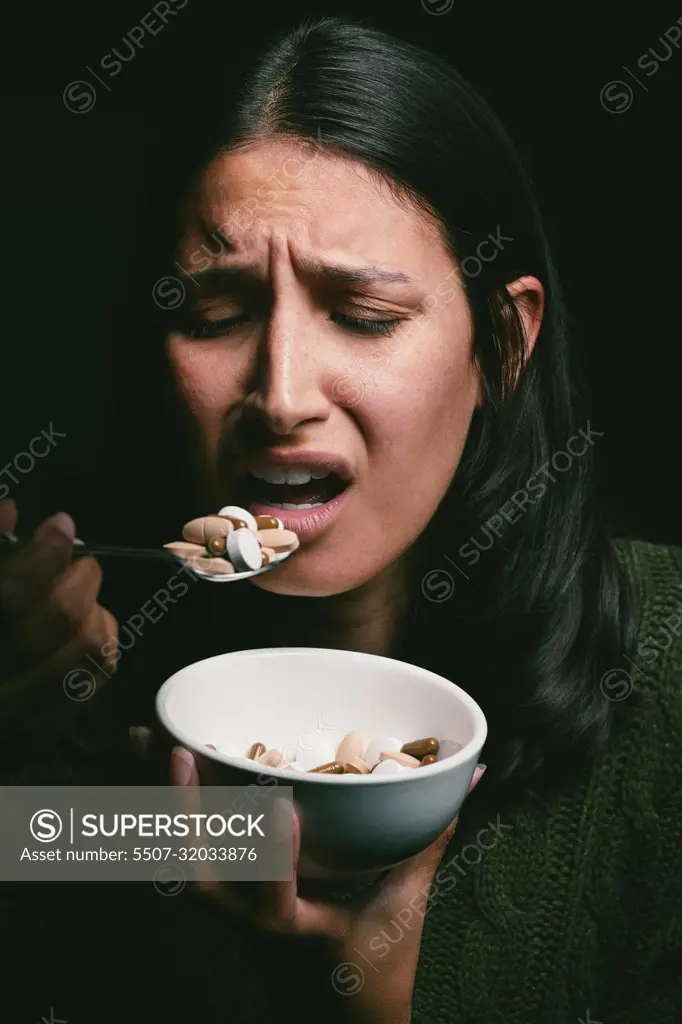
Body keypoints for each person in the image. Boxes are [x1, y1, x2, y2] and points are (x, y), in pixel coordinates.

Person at [1, 14, 680, 1024]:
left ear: (502, 341)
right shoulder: (75, 685)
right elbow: (51, 880)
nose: (279, 396)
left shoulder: (663, 667)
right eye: (216, 313)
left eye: (362, 316)